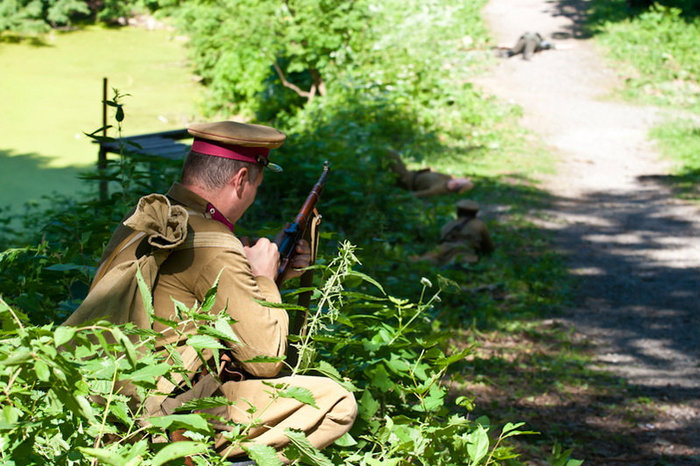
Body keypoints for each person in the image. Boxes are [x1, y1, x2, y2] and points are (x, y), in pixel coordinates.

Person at [67, 120, 357, 462]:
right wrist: (264, 278)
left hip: (107, 396)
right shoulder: (215, 243)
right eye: (257, 185)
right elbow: (267, 360)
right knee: (336, 401)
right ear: (241, 180)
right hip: (166, 415)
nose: (254, 194)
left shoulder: (150, 218)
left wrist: (272, 274)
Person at [415, 199, 495, 266]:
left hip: (443, 248)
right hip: (464, 249)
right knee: (458, 262)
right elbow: (488, 247)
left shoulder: (448, 225)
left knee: (428, 259)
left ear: (458, 212)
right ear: (475, 213)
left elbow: (442, 240)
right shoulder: (479, 225)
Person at [386, 149, 474, 197]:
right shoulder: (448, 178)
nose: (460, 178)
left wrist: (398, 197)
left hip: (405, 178)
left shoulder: (438, 189)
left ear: (457, 184)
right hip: (412, 173)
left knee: (391, 154)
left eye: (462, 180)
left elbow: (418, 195)